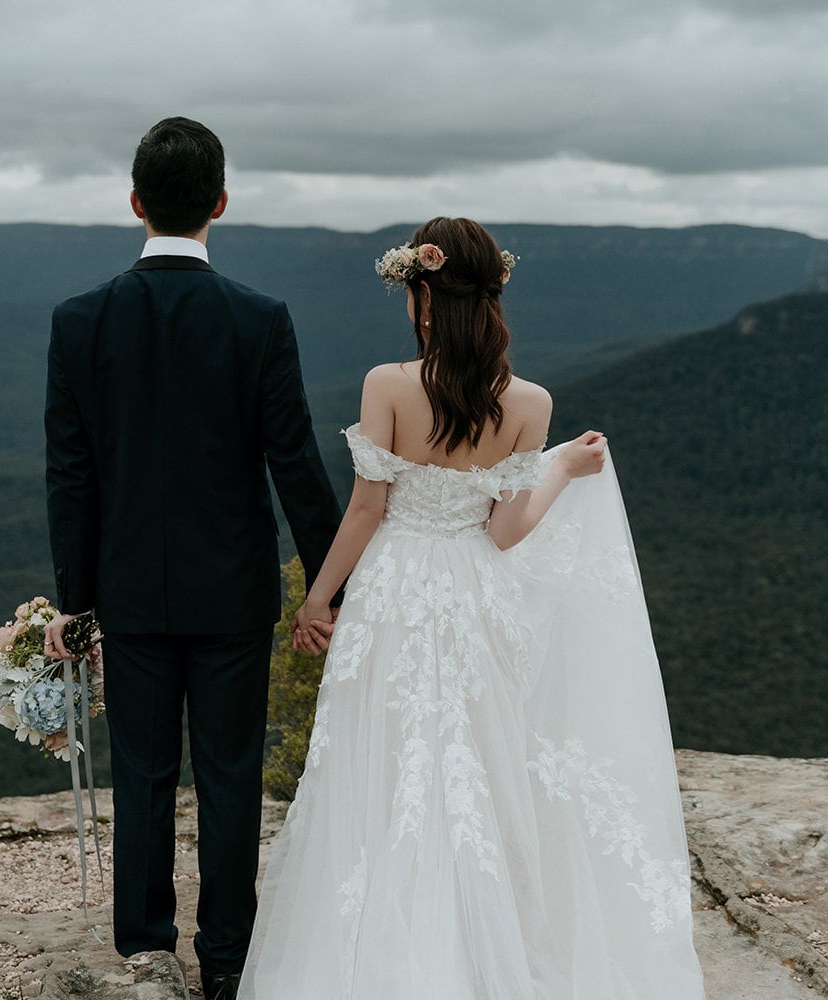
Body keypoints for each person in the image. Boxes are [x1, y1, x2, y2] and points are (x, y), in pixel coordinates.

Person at [240, 217, 705, 999]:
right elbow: (507, 528)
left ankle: (375, 942)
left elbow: (364, 511)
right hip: (474, 592)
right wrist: (562, 469)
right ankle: (486, 943)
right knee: (478, 762)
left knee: (380, 760)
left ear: (422, 297)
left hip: (392, 591)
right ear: (491, 299)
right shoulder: (530, 401)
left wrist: (318, 601)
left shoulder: (386, 385)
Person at [42, 117, 344, 1000]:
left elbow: (71, 475)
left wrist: (76, 600)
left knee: (141, 771)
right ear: (220, 203)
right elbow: (295, 466)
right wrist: (333, 588)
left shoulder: (79, 321)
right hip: (235, 594)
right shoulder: (260, 320)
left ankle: (144, 951)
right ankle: (226, 961)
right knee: (230, 773)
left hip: (129, 593)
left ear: (135, 203)